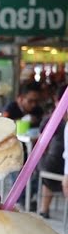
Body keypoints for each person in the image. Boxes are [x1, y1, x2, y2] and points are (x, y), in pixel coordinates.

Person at [38, 84, 68, 218]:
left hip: (55, 169)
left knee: (45, 164)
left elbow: (41, 145)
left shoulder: (52, 120)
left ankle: (43, 209)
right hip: (61, 169)